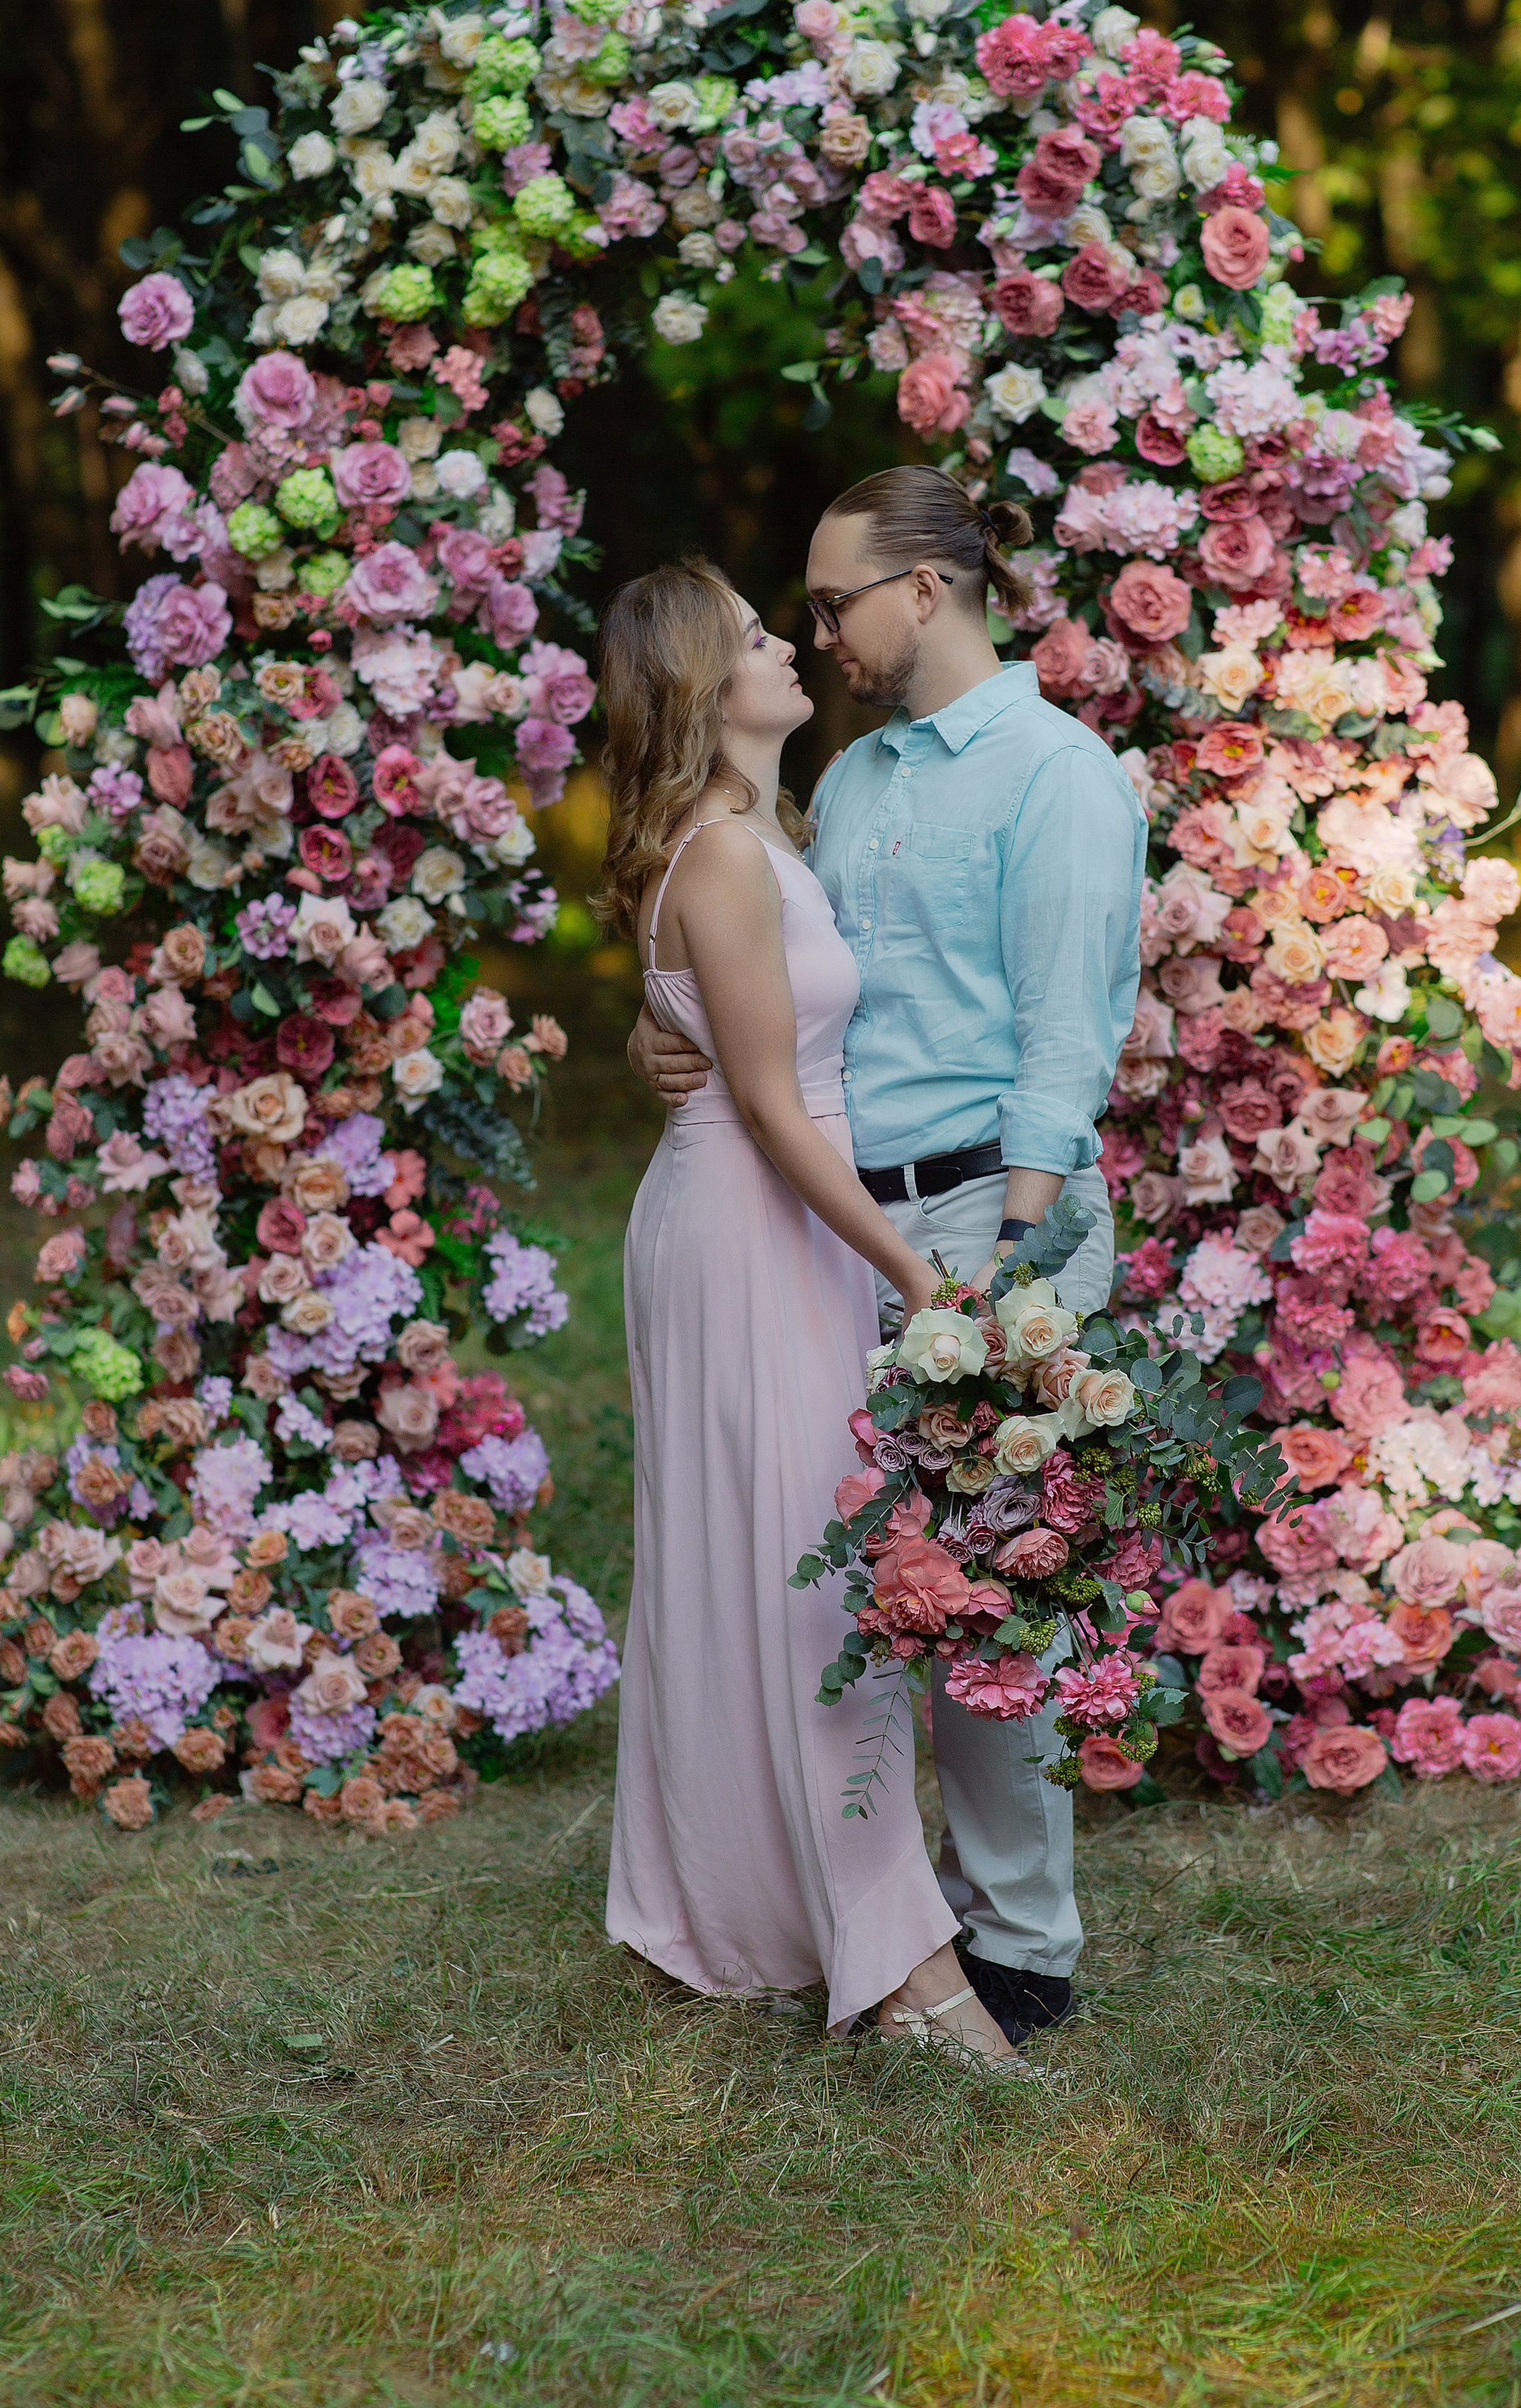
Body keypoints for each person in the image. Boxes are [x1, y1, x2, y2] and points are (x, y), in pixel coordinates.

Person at [629, 469, 1147, 2046]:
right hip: (829, 1226)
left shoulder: (1058, 777)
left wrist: (1008, 1261)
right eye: (793, 611)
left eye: (832, 600)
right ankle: (847, 1894)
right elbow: (766, 985)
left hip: (987, 1216)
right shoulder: (846, 782)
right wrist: (666, 1040)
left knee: (991, 1582)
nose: (816, 631)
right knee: (851, 1581)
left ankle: (1018, 1947)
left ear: (925, 588)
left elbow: (1066, 1036)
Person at [596, 553, 1025, 2066]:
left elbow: (733, 1042)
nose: (791, 644)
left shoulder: (759, 839)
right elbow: (775, 1109)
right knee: (803, 1578)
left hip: (778, 1220)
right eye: (755, 634)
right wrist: (913, 1272)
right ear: (701, 687)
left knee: (787, 1566)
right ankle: (899, 1962)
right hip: (749, 1223)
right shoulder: (722, 855)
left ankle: (768, 1903)